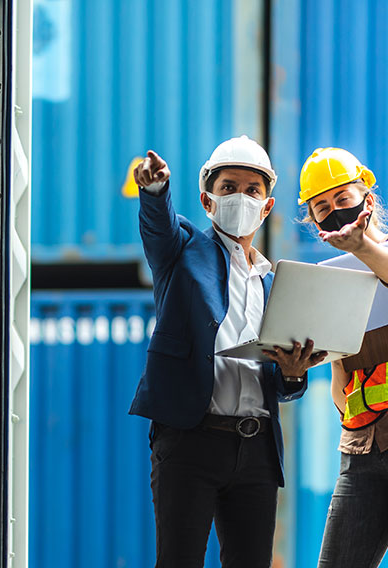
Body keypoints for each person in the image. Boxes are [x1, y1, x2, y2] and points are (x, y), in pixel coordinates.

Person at [128, 136, 322, 567]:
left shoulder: (276, 284)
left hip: (256, 451)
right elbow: (157, 225)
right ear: (207, 200)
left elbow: (281, 383)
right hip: (190, 443)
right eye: (228, 187)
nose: (241, 197)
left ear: (267, 206)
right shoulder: (181, 251)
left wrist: (292, 374)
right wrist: (155, 190)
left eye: (253, 190)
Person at [269, 147, 388, 568]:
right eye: (322, 207)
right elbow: (339, 384)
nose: (335, 212)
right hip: (359, 444)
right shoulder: (330, 281)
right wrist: (297, 364)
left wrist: (362, 246)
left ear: (368, 201)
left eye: (344, 199)